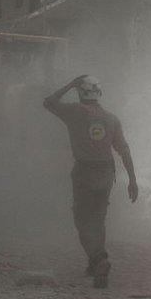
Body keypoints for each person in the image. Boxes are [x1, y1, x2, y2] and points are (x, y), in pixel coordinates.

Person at [43, 75, 137, 287]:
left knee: (82, 220)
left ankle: (99, 259)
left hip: (85, 170)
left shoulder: (75, 112)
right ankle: (94, 265)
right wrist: (132, 179)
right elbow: (124, 150)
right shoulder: (112, 119)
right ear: (99, 93)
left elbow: (48, 102)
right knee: (98, 219)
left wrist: (69, 84)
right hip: (106, 171)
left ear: (80, 92)